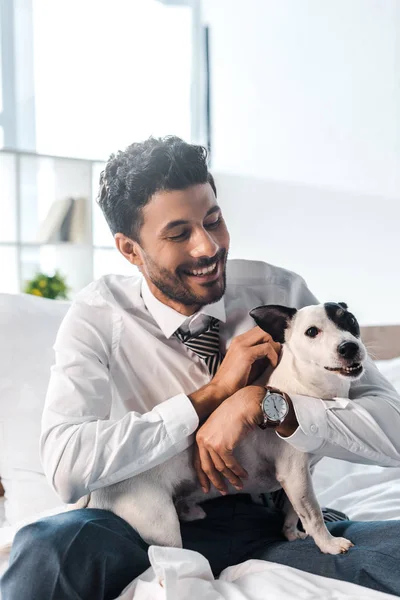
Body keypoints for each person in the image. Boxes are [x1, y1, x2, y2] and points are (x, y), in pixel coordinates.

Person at [2, 136, 400, 600]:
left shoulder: (282, 294)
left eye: (214, 220)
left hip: (272, 518)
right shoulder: (97, 316)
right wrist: (210, 399)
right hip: (140, 516)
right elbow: (67, 468)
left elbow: (393, 427)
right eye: (178, 234)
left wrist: (264, 404)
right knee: (49, 548)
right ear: (131, 250)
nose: (208, 247)